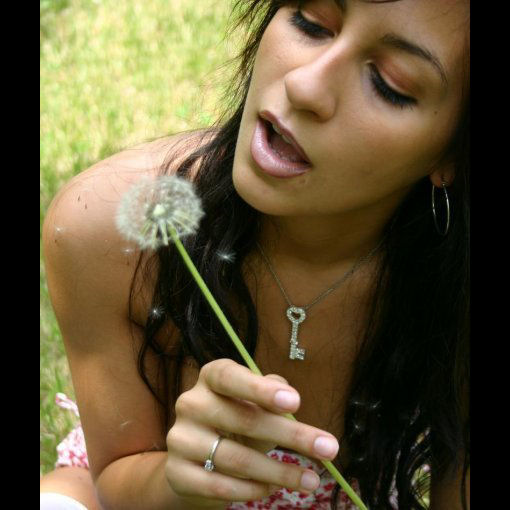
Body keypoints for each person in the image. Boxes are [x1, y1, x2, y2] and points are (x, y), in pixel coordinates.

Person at [41, 0, 470, 508]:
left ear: (453, 151)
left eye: (389, 83)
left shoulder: (456, 284)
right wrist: (184, 479)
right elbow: (114, 479)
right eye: (311, 22)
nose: (304, 85)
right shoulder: (105, 227)